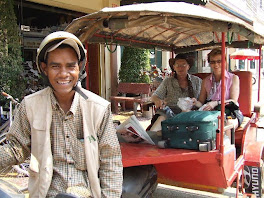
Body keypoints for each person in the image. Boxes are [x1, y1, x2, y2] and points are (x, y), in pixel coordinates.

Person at [0, 31, 123, 198]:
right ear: (44, 68)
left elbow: (111, 161)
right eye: (55, 66)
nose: (63, 74)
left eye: (70, 66)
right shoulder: (30, 106)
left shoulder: (98, 109)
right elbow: (16, 149)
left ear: (79, 67)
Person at [196, 48, 241, 139]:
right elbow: (201, 102)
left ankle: (227, 150)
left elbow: (233, 100)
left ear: (224, 62)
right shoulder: (206, 81)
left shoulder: (233, 78)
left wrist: (216, 103)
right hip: (211, 114)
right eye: (212, 62)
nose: (216, 65)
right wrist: (194, 102)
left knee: (227, 124)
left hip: (230, 112)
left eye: (219, 61)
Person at [149, 53, 202, 131]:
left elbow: (202, 101)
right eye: (177, 65)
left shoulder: (197, 81)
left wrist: (196, 102)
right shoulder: (168, 81)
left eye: (183, 65)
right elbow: (155, 95)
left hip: (190, 113)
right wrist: (157, 100)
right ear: (174, 67)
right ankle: (149, 138)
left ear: (188, 66)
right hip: (170, 112)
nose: (180, 68)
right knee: (161, 118)